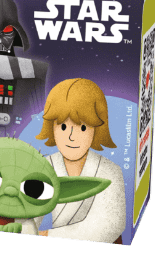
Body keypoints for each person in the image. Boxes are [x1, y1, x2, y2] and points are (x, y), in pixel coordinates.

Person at [35, 78, 126, 244]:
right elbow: (30, 210)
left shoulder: (110, 171)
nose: (71, 136)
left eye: (82, 127)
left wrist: (47, 234)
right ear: (51, 127)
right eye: (63, 126)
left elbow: (109, 224)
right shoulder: (44, 167)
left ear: (96, 129)